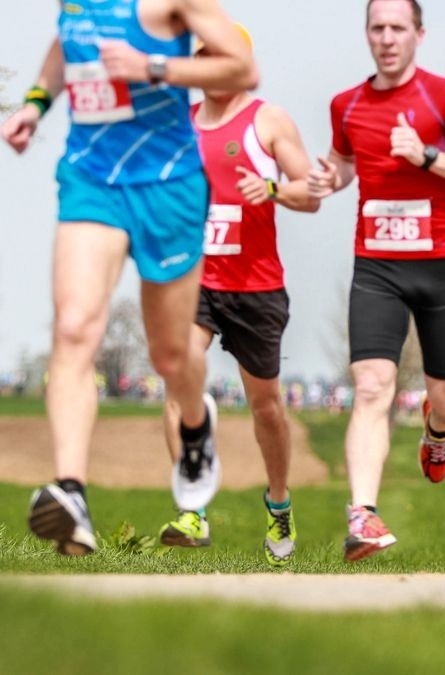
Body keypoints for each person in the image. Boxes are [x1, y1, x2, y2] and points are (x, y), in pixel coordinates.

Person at [9, 0, 257, 556]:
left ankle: (195, 428)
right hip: (91, 178)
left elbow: (242, 68)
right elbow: (65, 46)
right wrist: (35, 104)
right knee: (73, 329)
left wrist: (154, 67)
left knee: (171, 357)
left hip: (168, 186)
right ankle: (71, 493)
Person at [306, 0, 445, 562]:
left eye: (398, 28)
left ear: (419, 34)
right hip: (376, 265)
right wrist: (330, 176)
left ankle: (437, 430)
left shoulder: (443, 97)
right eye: (378, 28)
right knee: (371, 385)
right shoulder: (345, 105)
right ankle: (362, 515)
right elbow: (344, 164)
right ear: (367, 35)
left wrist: (425, 156)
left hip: (442, 264)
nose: (387, 38)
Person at [155, 24, 318, 566]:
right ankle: (192, 507)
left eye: (219, 56)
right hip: (197, 279)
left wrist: (271, 188)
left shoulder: (267, 120)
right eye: (200, 56)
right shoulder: (180, 124)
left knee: (266, 408)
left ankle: (278, 505)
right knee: (178, 375)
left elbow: (309, 193)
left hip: (256, 288)